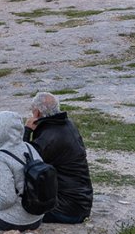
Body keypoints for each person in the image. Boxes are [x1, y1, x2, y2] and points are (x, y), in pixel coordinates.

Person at [23, 91, 94, 224]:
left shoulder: (49, 137)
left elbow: (23, 160)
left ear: (37, 113)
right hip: (80, 203)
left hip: (66, 210)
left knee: (19, 210)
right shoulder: (67, 125)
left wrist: (27, 130)